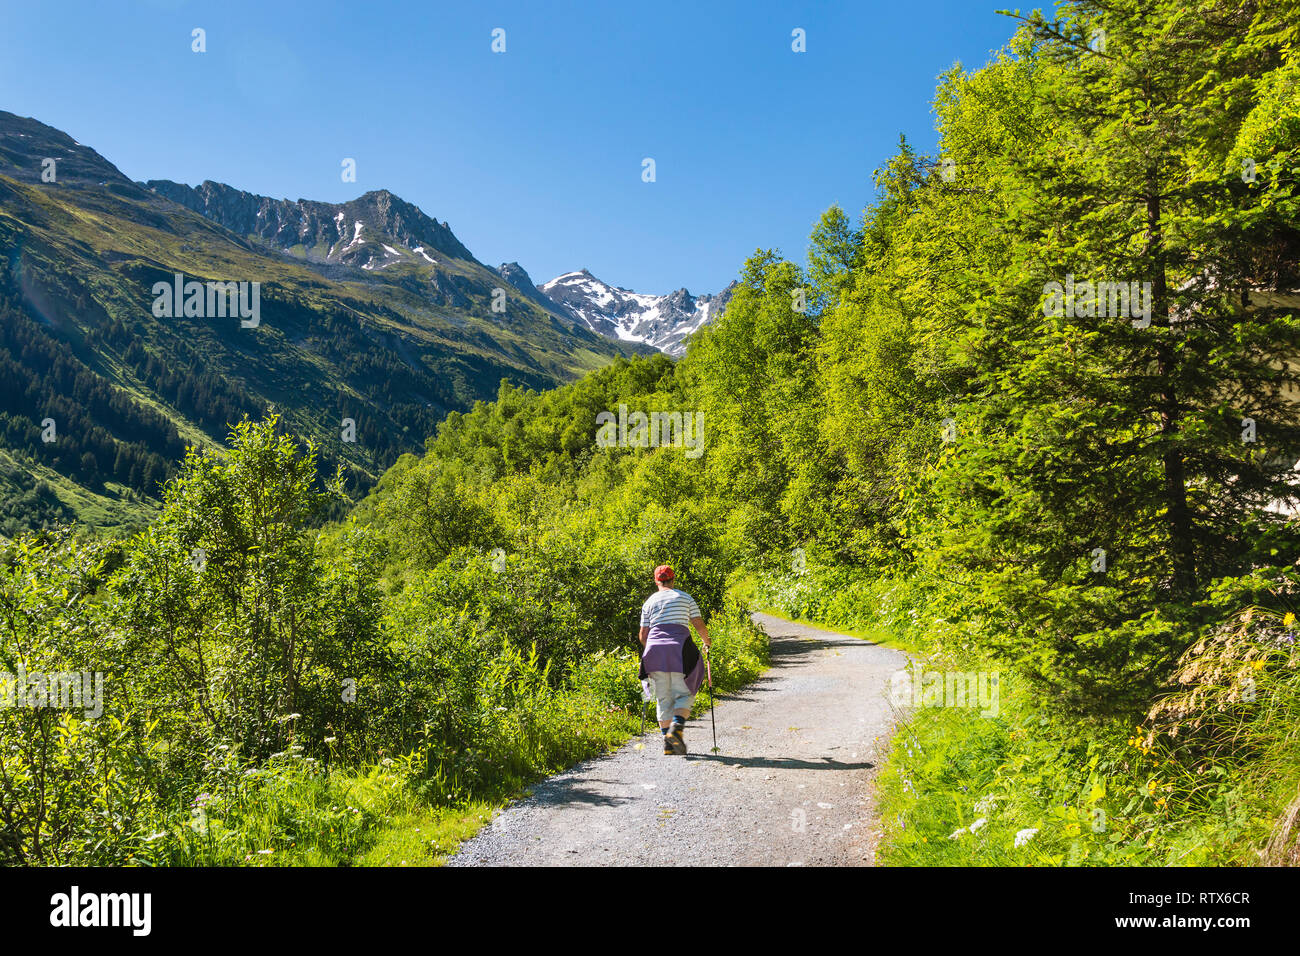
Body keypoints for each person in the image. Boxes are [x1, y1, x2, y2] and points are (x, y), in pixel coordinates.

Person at [638, 565, 710, 755]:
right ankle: (676, 730)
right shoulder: (684, 597)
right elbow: (697, 623)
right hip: (679, 649)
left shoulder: (649, 602)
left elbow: (643, 635)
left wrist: (654, 653)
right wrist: (706, 641)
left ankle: (668, 745)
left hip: (654, 651)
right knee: (684, 691)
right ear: (673, 579)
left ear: (656, 581)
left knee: (663, 697)